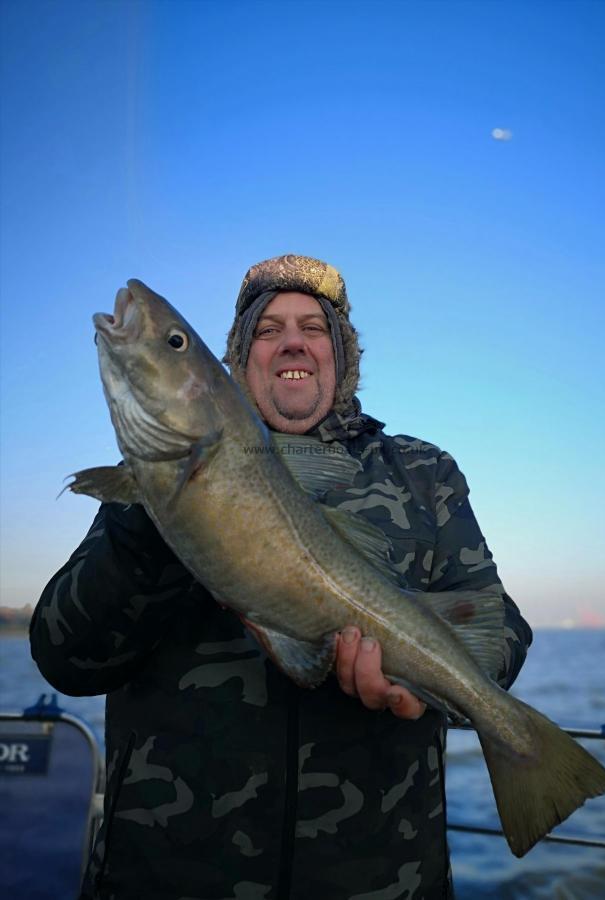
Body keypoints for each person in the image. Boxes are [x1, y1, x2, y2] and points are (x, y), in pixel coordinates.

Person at [31, 254, 533, 900]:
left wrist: (430, 686)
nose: (291, 340)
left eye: (313, 327)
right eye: (266, 330)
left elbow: (502, 628)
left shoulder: (422, 473)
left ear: (340, 354)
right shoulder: (146, 491)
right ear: (235, 364)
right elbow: (62, 657)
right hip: (167, 879)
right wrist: (148, 521)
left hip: (383, 882)